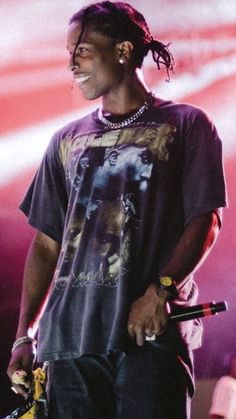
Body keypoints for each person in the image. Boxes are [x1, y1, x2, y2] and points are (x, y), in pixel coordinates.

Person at [7, 1, 226, 418]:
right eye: (69, 52)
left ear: (124, 51)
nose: (72, 64)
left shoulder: (187, 124)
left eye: (83, 50)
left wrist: (160, 290)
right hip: (69, 343)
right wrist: (24, 336)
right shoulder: (64, 140)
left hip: (149, 336)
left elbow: (206, 219)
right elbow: (46, 245)